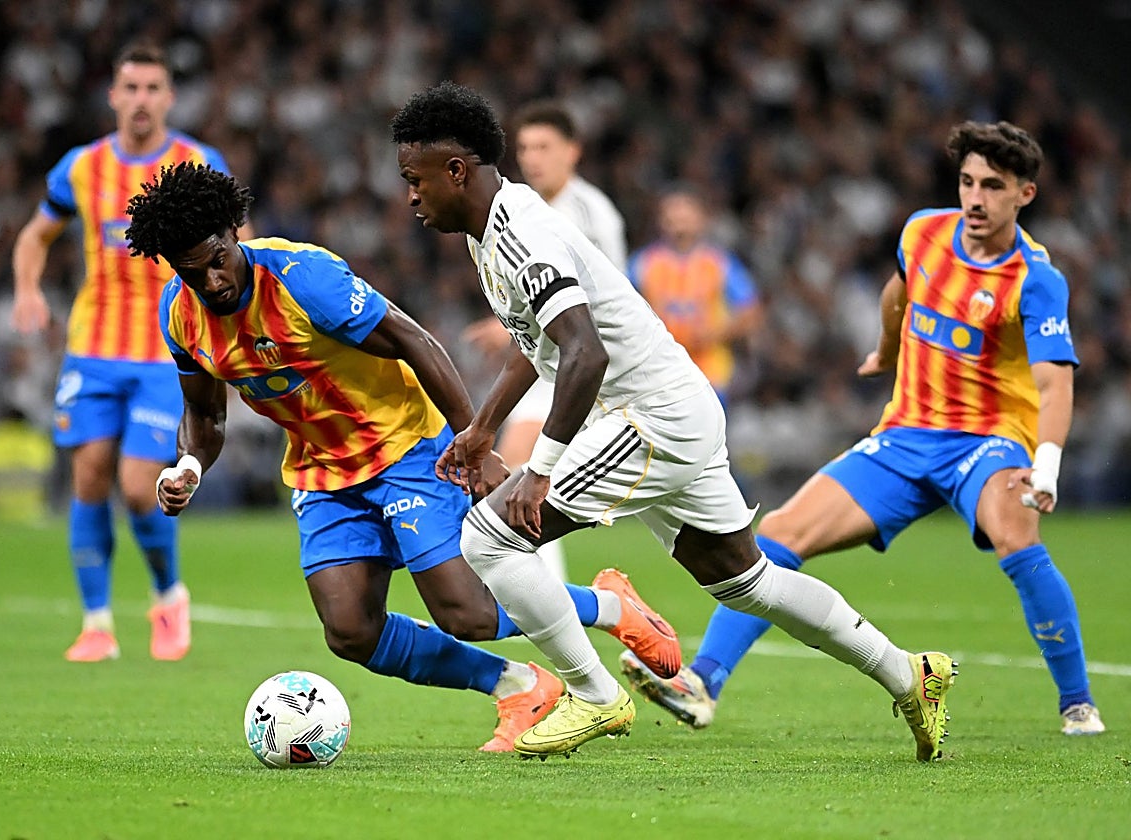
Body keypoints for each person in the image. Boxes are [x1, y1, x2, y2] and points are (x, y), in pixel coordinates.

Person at [391, 81, 956, 761]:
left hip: (647, 417)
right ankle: (908, 674)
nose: (411, 196)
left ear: (457, 170)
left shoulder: (519, 234)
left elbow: (584, 352)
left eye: (414, 179)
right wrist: (484, 427)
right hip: (674, 409)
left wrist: (538, 471)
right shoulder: (492, 233)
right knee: (747, 582)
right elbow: (533, 339)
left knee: (491, 538)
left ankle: (595, 698)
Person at [125, 160, 683, 753]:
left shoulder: (302, 277)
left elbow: (416, 341)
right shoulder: (179, 316)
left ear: (235, 233)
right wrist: (187, 466)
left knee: (465, 612)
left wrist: (474, 441)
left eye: (218, 260)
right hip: (323, 474)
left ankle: (608, 605)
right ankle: (519, 686)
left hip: (405, 448)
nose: (212, 282)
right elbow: (206, 415)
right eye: (193, 271)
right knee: (350, 631)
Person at [621, 120, 1105, 738]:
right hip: (905, 436)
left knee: (1015, 534)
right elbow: (897, 293)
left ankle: (1078, 704)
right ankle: (701, 683)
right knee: (780, 530)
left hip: (989, 440)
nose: (976, 198)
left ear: (1024, 194)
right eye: (967, 182)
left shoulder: (1036, 279)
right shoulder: (924, 232)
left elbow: (1055, 383)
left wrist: (1048, 464)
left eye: (993, 185)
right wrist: (887, 352)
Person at [10, 44, 246, 662]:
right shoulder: (82, 168)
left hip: (165, 350)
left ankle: (168, 596)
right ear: (113, 96)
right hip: (92, 347)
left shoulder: (198, 162)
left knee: (140, 488)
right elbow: (36, 234)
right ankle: (96, 625)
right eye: (130, 88)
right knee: (88, 475)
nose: (141, 100)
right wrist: (27, 288)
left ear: (169, 97)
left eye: (152, 88)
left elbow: (239, 249)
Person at [463, 99, 629, 581]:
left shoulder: (591, 213)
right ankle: (547, 597)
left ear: (572, 152)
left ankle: (546, 599)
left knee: (522, 473)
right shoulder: (525, 206)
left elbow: (599, 300)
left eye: (544, 146)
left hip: (587, 363)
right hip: (549, 362)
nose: (532, 157)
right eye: (525, 147)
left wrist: (511, 327)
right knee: (522, 474)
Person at [627, 185, 763, 405]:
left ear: (702, 219)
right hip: (657, 373)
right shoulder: (642, 263)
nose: (679, 225)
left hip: (710, 372)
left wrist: (715, 333)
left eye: (686, 218)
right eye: (672, 218)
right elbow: (618, 306)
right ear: (661, 221)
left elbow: (751, 310)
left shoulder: (719, 263)